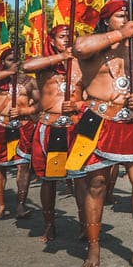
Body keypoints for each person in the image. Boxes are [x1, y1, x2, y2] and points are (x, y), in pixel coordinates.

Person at [67, 0, 133, 267]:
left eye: (127, 16)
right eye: (120, 16)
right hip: (98, 121)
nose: (126, 20)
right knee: (96, 185)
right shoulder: (92, 47)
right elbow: (78, 47)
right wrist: (120, 35)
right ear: (107, 20)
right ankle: (94, 248)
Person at [21, 24, 85, 241]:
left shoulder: (82, 64)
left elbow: (94, 93)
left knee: (81, 179)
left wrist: (78, 105)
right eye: (62, 37)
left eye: (70, 37)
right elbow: (26, 65)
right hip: (50, 127)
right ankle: (49, 225)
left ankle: (85, 223)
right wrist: (60, 58)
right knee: (49, 179)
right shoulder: (44, 65)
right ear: (52, 41)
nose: (67, 40)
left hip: (75, 128)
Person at [0, 49, 39, 220]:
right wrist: (5, 73)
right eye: (10, 59)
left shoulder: (29, 81)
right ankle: (1, 205)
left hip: (23, 126)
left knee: (23, 167)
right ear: (3, 61)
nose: (15, 63)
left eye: (17, 60)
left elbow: (41, 103)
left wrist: (26, 109)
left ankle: (20, 204)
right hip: (0, 127)